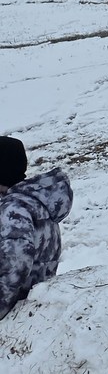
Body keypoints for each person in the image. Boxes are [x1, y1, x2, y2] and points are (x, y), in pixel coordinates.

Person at [0, 136, 74, 320]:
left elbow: (14, 267)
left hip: (14, 312)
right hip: (35, 308)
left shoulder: (14, 210)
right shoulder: (37, 205)